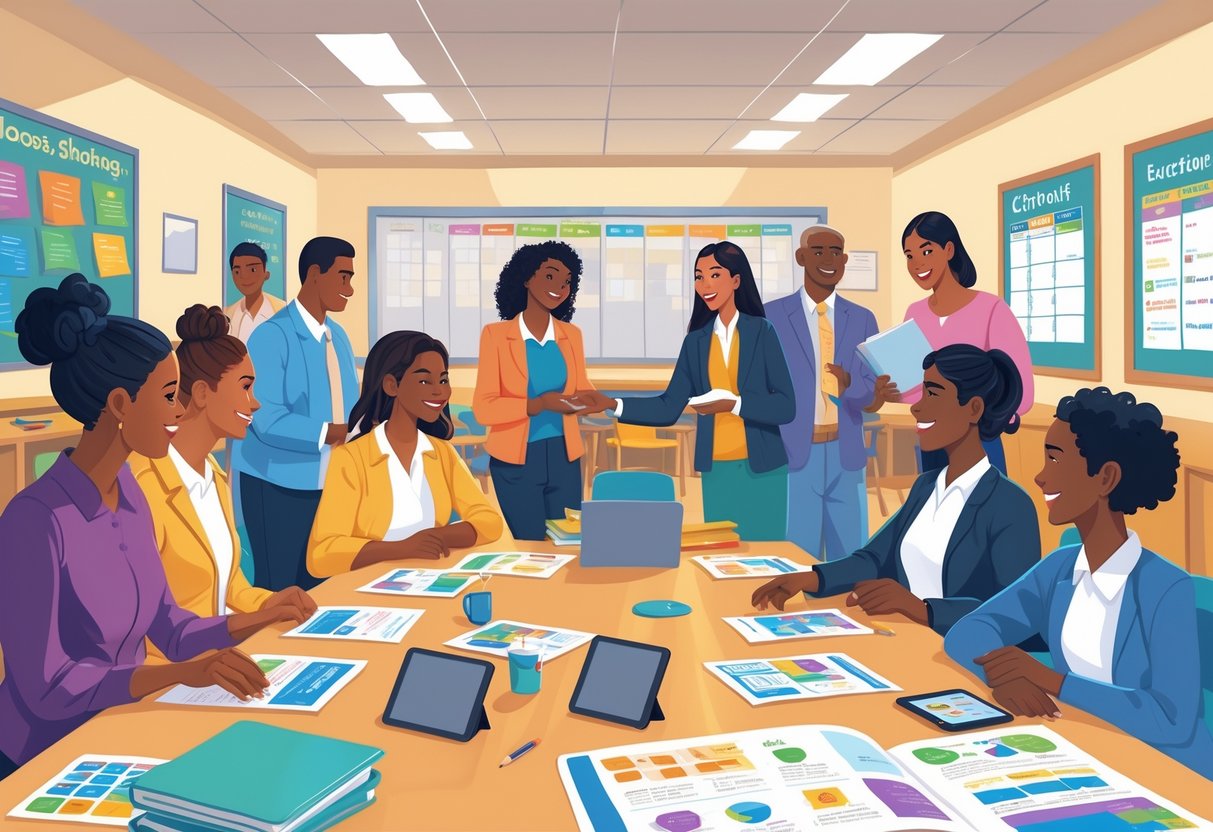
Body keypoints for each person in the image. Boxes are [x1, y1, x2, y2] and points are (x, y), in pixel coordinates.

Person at [0, 276, 306, 781]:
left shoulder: (130, 494)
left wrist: (260, 617)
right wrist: (182, 674)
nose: (182, 411)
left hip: (120, 732)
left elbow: (172, 626)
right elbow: (48, 686)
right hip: (41, 760)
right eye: (169, 396)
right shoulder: (35, 520)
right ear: (120, 405)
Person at [945, 387, 1213, 780]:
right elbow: (969, 630)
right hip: (1085, 752)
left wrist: (1051, 680)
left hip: (1171, 775)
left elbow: (1170, 719)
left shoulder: (1165, 588)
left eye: (1055, 458)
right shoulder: (1060, 569)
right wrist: (1004, 678)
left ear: (1106, 477)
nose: (1039, 476)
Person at [751, 344, 1039, 635]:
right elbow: (874, 558)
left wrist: (920, 608)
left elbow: (1014, 612)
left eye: (933, 393)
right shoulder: (926, 487)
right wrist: (809, 579)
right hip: (907, 638)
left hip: (963, 659)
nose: (916, 406)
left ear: (974, 408)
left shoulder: (1010, 506)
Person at [131, 305, 317, 663]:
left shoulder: (214, 476)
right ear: (202, 393)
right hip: (168, 676)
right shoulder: (143, 486)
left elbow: (230, 587)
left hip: (216, 662)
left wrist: (269, 602)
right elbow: (140, 627)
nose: (256, 402)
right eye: (245, 387)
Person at [582, 242, 795, 540]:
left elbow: (786, 407)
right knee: (724, 556)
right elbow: (668, 407)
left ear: (736, 280)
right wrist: (611, 403)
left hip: (763, 467)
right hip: (716, 470)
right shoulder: (695, 342)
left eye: (715, 275)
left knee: (766, 555)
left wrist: (733, 405)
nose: (705, 284)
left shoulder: (762, 331)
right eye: (698, 276)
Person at [309, 331, 503, 576]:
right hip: (370, 585)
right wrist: (402, 548)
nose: (439, 392)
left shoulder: (442, 453)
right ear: (392, 385)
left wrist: (438, 536)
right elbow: (321, 553)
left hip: (431, 578)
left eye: (443, 381)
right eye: (425, 381)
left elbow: (489, 520)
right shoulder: (352, 458)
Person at [233, 236, 359, 590]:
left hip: (331, 485)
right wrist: (331, 432)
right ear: (315, 274)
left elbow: (352, 405)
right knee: (283, 590)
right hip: (278, 486)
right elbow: (265, 417)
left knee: (325, 586)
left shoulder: (340, 338)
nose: (350, 288)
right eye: (343, 276)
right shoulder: (272, 336)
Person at [875, 211, 1033, 475]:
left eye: (926, 252)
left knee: (979, 513)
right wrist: (893, 391)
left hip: (978, 442)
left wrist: (981, 417)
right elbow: (919, 387)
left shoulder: (991, 308)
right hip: (931, 441)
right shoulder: (915, 313)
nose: (916, 264)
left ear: (949, 249)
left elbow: (1022, 391)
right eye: (909, 256)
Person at [472, 241, 602, 541]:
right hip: (516, 461)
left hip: (564, 458)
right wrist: (538, 404)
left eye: (567, 281)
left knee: (568, 542)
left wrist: (591, 401)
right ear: (527, 278)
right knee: (530, 544)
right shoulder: (495, 335)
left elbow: (581, 387)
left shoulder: (572, 335)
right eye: (550, 276)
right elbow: (485, 407)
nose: (559, 287)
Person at [765, 225, 878, 560]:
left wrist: (850, 388)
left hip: (846, 455)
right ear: (801, 257)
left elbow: (872, 393)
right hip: (794, 456)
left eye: (835, 253)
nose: (828, 260)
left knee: (851, 560)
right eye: (818, 252)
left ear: (844, 260)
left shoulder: (862, 318)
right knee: (797, 561)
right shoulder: (771, 316)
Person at [224, 242, 284, 344]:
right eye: (237, 272)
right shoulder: (227, 315)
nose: (244, 277)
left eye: (252, 269)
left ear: (266, 274)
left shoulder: (284, 311)